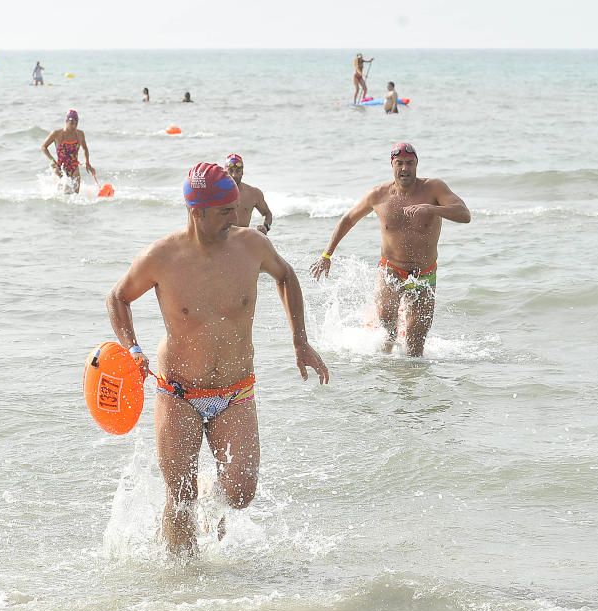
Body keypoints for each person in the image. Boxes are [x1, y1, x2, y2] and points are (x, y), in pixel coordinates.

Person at [106, 162, 330, 557]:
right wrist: (133, 350)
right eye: (225, 211)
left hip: (236, 391)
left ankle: (210, 493)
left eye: (236, 207)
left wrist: (300, 342)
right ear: (198, 211)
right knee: (180, 496)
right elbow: (118, 298)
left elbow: (286, 276)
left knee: (242, 493)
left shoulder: (252, 246)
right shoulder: (162, 257)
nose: (236, 216)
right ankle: (185, 590)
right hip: (178, 391)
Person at [310, 143, 471, 357]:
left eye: (410, 163)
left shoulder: (434, 189)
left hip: (425, 275)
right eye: (400, 164)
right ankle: (384, 380)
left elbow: (464, 214)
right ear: (392, 164)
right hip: (390, 272)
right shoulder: (378, 195)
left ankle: (411, 387)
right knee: (388, 331)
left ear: (416, 165)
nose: (405, 168)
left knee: (416, 347)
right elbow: (348, 219)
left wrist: (431, 208)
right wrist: (326, 255)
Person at [41, 109, 95, 194]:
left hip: (74, 167)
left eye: (76, 123)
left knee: (75, 196)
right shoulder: (57, 134)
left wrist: (88, 163)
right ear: (66, 121)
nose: (74, 126)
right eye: (72, 123)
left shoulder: (80, 134)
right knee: (64, 194)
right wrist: (53, 161)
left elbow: (85, 148)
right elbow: (44, 147)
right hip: (60, 168)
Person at [225, 154, 274, 235]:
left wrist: (265, 227)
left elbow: (268, 214)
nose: (234, 175)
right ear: (225, 171)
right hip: (222, 240)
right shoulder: (215, 192)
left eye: (238, 171)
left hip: (242, 240)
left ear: (242, 172)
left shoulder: (253, 193)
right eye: (230, 170)